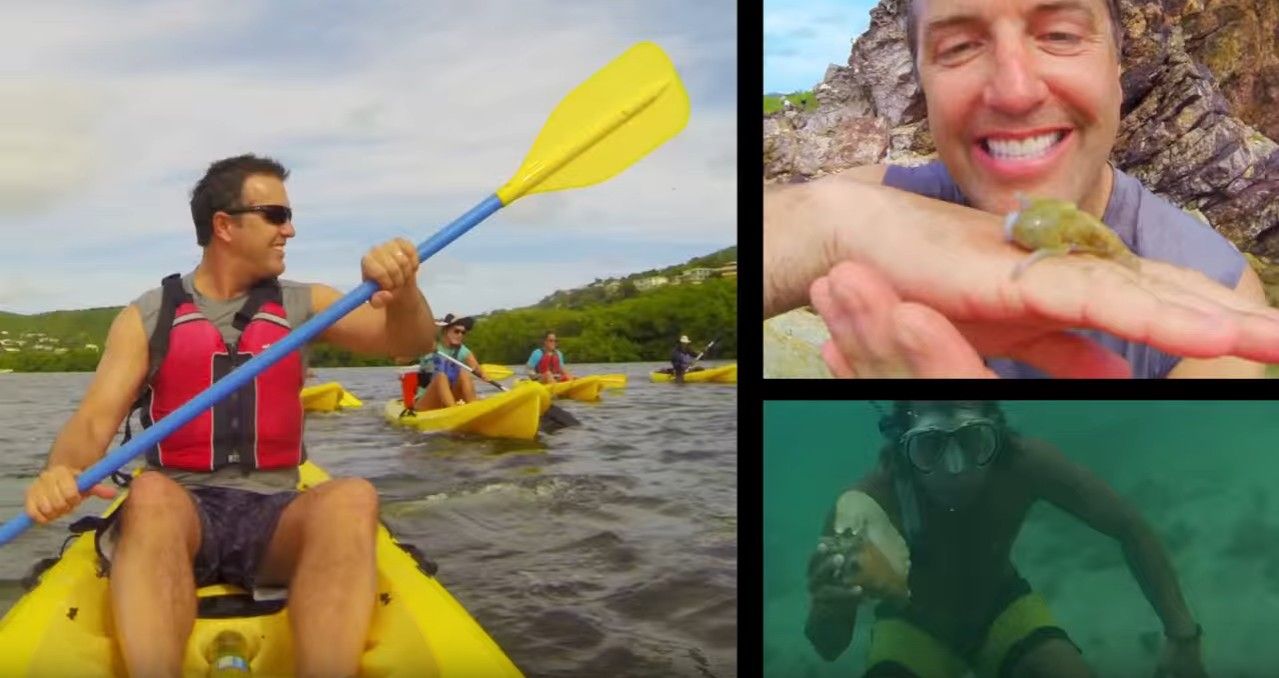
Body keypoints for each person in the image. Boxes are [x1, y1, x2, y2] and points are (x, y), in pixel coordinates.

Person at [21, 154, 437, 677]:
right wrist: (59, 472)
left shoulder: (307, 303)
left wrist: (403, 292)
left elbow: (411, 342)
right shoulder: (150, 315)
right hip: (181, 516)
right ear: (224, 225)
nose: (290, 229)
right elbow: (91, 424)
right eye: (275, 215)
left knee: (354, 496)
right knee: (147, 492)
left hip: (275, 514)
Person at [763, 0, 1279, 378]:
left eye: (1060, 35)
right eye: (960, 46)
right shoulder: (865, 207)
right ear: (923, 89)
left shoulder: (1217, 297)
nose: (1015, 92)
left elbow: (1177, 504)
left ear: (1118, 72)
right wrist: (822, 227)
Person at [806, 401, 1206, 677]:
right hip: (911, 626)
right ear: (902, 446)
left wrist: (1183, 635)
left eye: (971, 441)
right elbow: (829, 647)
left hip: (1002, 608)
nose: (955, 468)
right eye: (930, 446)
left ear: (995, 435)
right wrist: (828, 608)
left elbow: (1128, 526)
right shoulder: (868, 504)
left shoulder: (1024, 464)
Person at [413, 313, 485, 410]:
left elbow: (477, 369)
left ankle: (474, 407)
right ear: (446, 330)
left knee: (463, 373)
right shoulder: (429, 346)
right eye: (456, 331)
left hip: (450, 397)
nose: (460, 335)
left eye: (463, 332)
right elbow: (401, 359)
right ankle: (454, 410)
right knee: (441, 376)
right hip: (425, 402)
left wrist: (480, 372)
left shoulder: (462, 350)